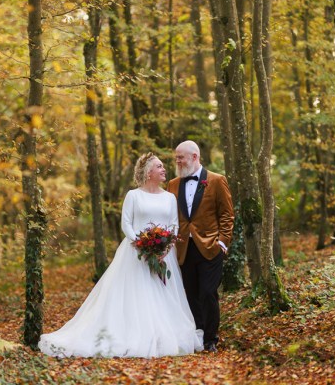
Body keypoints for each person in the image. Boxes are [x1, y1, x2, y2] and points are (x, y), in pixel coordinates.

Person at [39, 153, 203, 358]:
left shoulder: (170, 197)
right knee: (136, 295)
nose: (164, 170)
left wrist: (165, 249)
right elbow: (126, 223)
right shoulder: (133, 196)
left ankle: (162, 337)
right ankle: (134, 335)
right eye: (159, 167)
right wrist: (141, 245)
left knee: (163, 296)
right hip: (135, 254)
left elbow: (174, 225)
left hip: (164, 255)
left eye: (163, 166)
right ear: (148, 172)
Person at [167, 140, 235, 353]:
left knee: (208, 292)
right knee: (191, 293)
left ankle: (211, 338)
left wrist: (223, 242)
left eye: (181, 157)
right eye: (176, 157)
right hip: (183, 248)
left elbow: (227, 214)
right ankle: (197, 334)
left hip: (211, 246)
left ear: (194, 157)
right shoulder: (172, 184)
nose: (177, 161)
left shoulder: (216, 180)